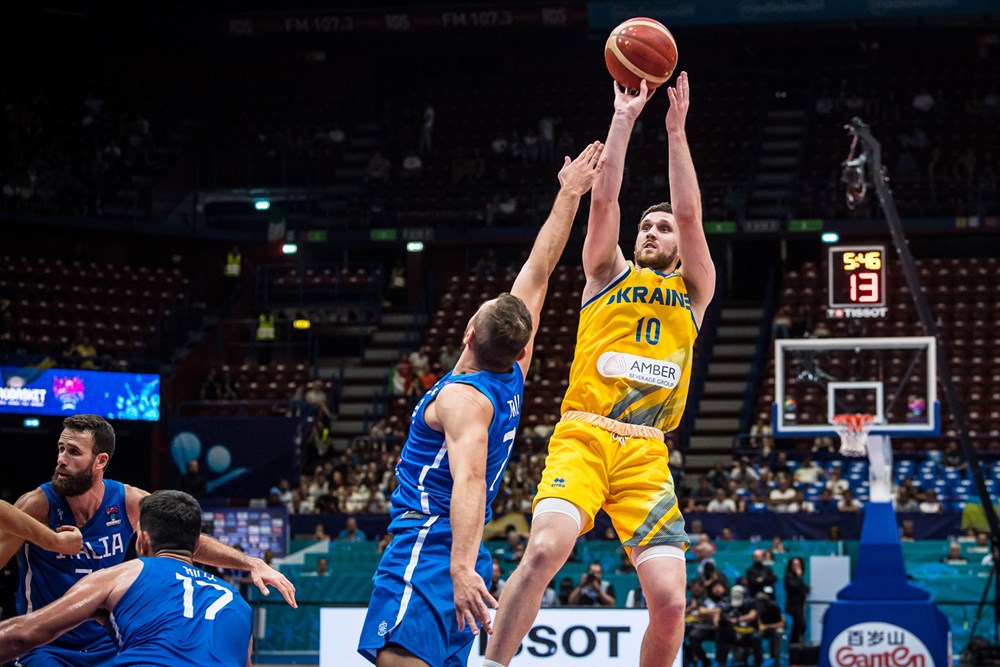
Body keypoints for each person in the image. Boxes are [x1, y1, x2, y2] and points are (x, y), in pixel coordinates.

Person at [485, 72, 714, 667]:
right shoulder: (605, 271)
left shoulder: (692, 292)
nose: (652, 230)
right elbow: (606, 199)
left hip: (646, 453)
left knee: (669, 602)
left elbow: (690, 215)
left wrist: (675, 131)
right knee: (542, 552)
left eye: (660, 228)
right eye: (647, 225)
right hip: (585, 434)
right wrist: (624, 117)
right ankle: (490, 664)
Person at [357, 141, 607, 667]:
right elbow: (539, 271)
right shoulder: (512, 374)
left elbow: (468, 480)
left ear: (468, 332)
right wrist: (568, 194)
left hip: (431, 551)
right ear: (520, 348)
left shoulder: (462, 400)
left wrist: (459, 568)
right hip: (464, 555)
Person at [0, 414, 295, 666]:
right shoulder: (37, 505)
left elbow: (182, 535)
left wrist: (250, 562)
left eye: (73, 452)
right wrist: (53, 542)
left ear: (100, 460)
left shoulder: (127, 500)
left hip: (107, 643)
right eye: (60, 449)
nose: (61, 459)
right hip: (48, 644)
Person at [0, 490, 252, 666]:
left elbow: (24, 634)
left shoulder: (124, 574)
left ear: (142, 542)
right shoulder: (238, 601)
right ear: (197, 546)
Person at [784, 557, 809, 644]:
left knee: (800, 627)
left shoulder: (800, 578)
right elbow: (794, 587)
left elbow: (803, 589)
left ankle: (796, 645)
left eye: (798, 565)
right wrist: (799, 577)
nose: (796, 567)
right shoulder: (788, 577)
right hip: (793, 606)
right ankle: (793, 646)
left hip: (800, 605)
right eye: (794, 565)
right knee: (799, 626)